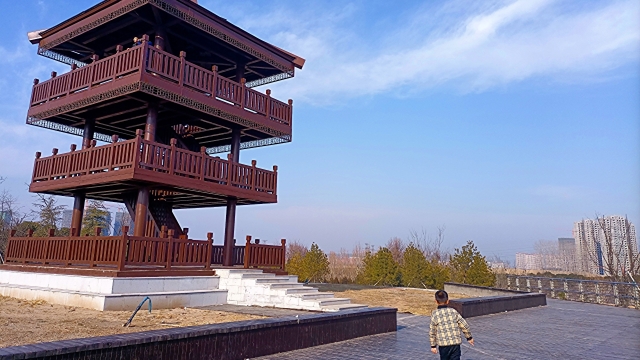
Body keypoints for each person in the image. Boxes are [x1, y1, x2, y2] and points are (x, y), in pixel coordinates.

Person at [429, 290, 474, 360]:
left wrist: (433, 346)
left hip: (443, 345)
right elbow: (464, 325)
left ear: (436, 301)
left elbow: (432, 331)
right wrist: (469, 337)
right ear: (447, 301)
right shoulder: (453, 311)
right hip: (455, 344)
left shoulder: (435, 314)